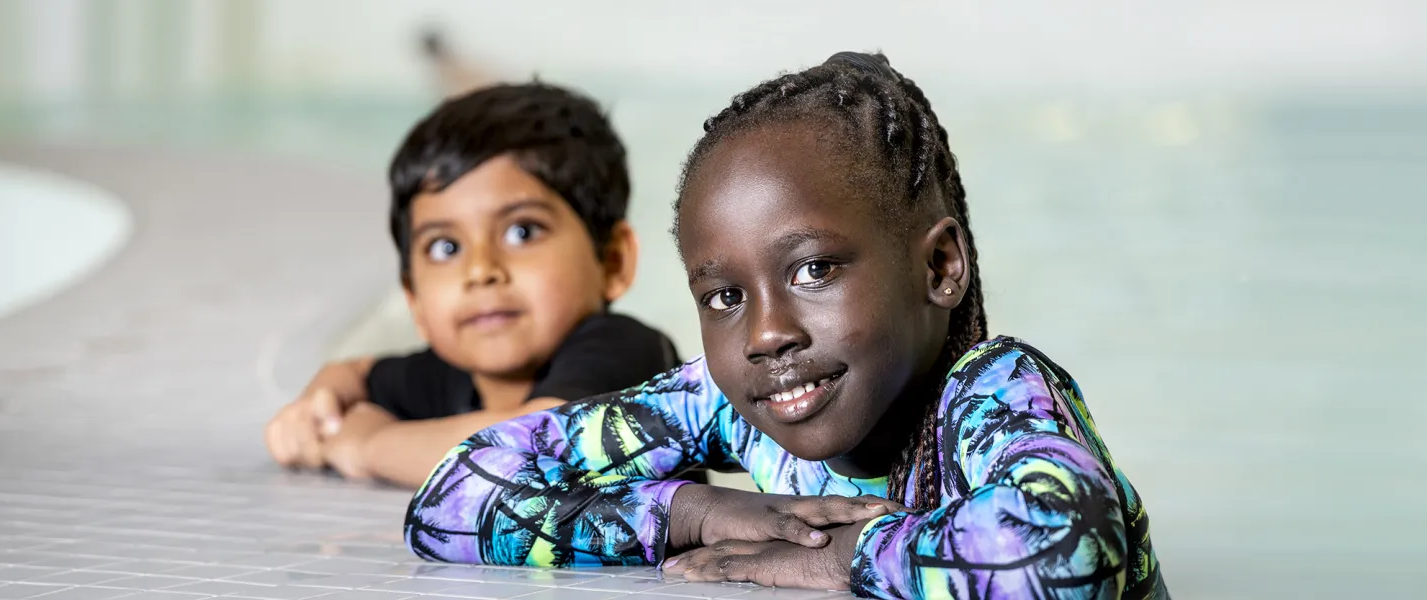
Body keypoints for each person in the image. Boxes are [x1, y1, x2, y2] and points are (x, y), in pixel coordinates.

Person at [402, 52, 1166, 599]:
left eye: (814, 270)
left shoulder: (993, 392)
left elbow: (1066, 557)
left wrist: (842, 557)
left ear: (938, 269)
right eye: (725, 296)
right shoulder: (731, 403)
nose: (766, 334)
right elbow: (452, 496)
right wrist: (695, 513)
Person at [263, 82, 680, 489]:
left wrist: (370, 445)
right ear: (415, 301)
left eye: (522, 231)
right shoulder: (452, 376)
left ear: (612, 261)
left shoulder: (627, 355)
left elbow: (533, 446)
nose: (480, 270)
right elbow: (353, 373)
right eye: (446, 247)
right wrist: (317, 412)